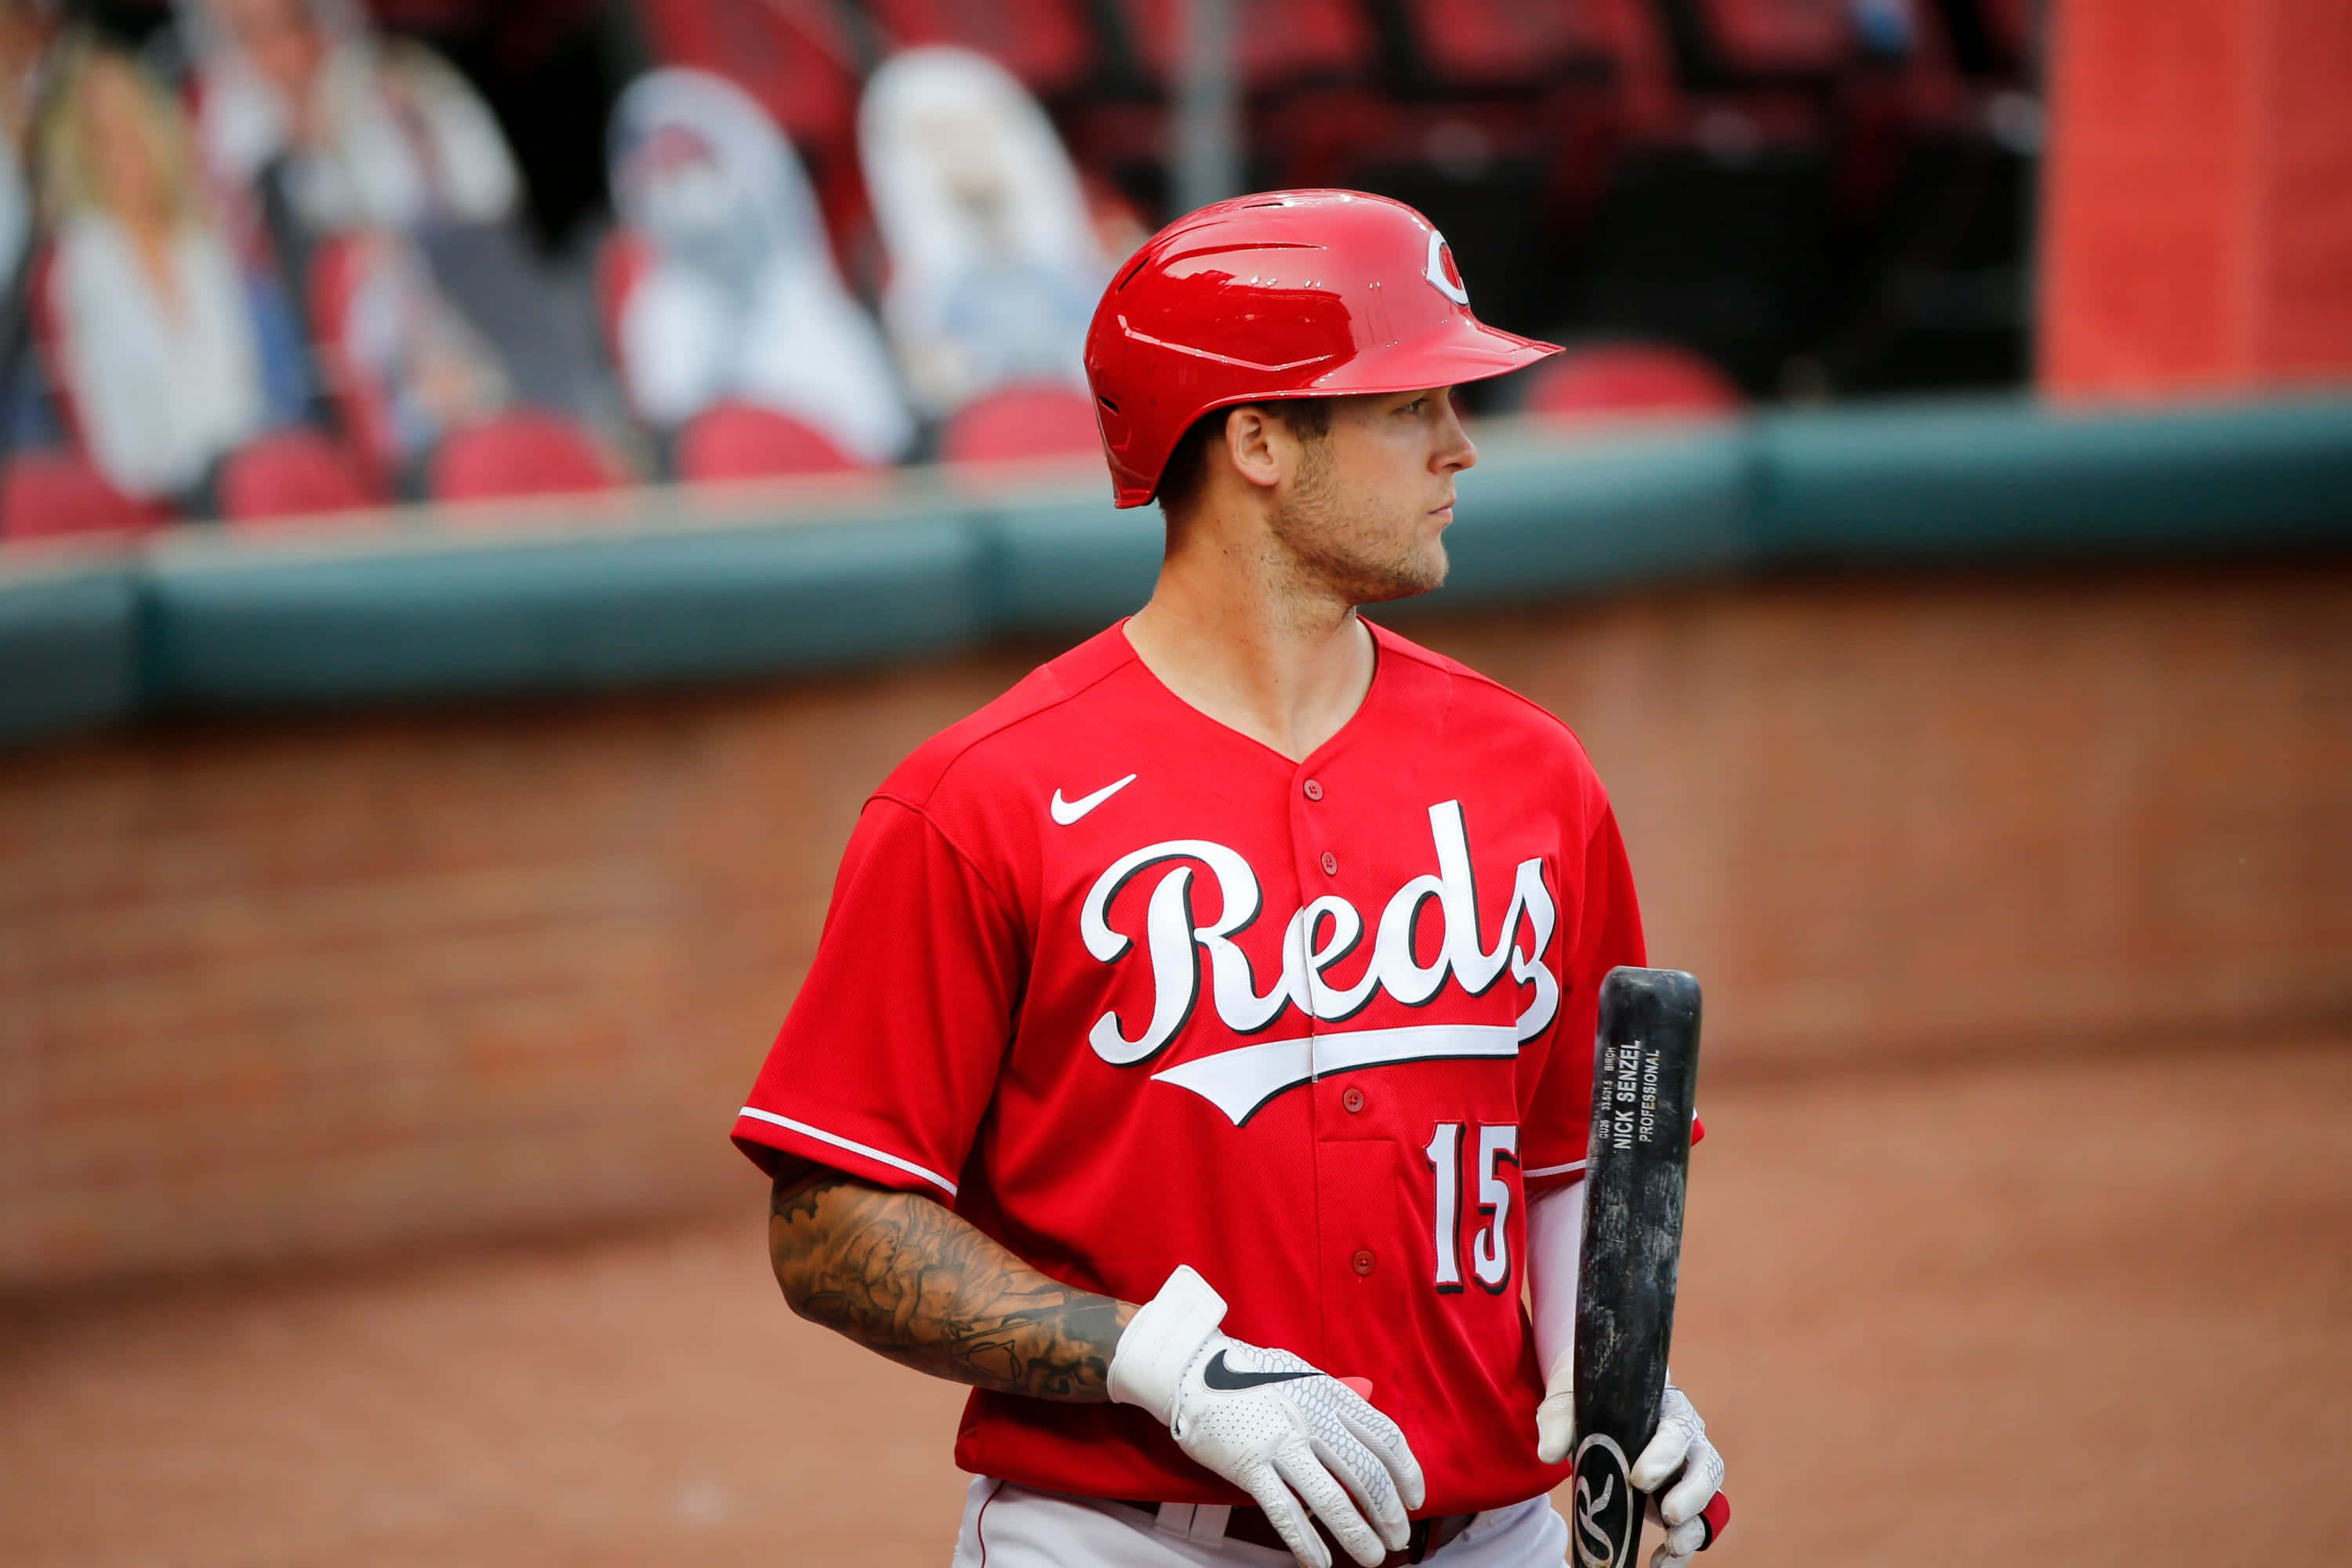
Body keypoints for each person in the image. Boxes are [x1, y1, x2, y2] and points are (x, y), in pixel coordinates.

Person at [732, 190, 1732, 1568]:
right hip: (1126, 1541)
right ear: (1258, 438)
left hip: (1487, 1537)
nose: (1460, 449)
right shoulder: (982, 798)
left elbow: (1572, 1158)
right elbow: (831, 1222)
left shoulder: (1534, 773)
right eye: (1408, 406)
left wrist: (1626, 1385)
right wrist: (1162, 1363)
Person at [606, 67, 913, 466]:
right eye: (663, 171)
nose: (680, 188)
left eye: (692, 162)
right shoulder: (657, 323)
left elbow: (881, 448)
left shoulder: (818, 314)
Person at [44, 45, 266, 505]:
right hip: (154, 492)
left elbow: (248, 386)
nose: (124, 150)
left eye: (132, 126)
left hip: (239, 469)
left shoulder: (203, 241)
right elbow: (112, 430)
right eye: (101, 136)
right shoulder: (81, 262)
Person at [857, 46, 1105, 419]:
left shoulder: (1102, 228)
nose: (965, 148)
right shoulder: (883, 266)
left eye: (978, 127)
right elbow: (932, 380)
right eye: (940, 135)